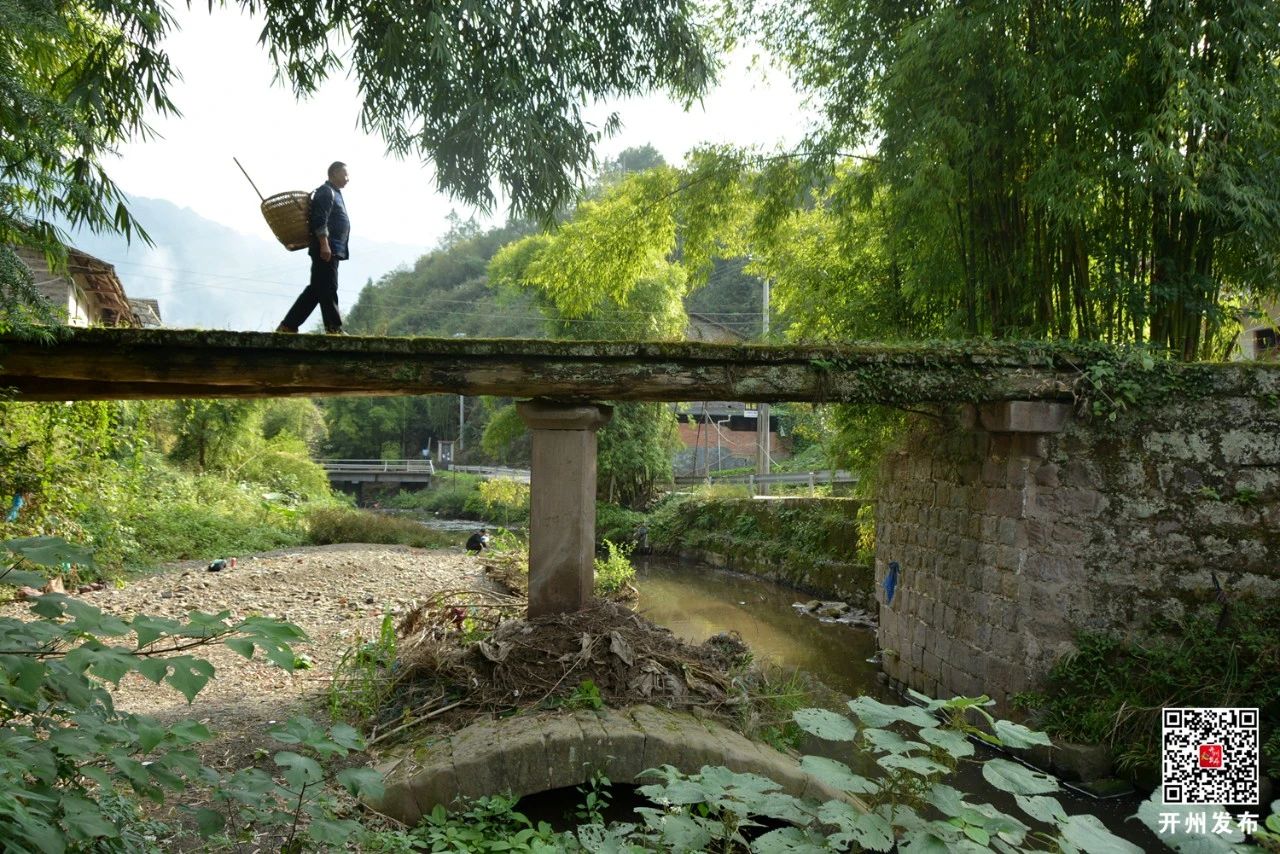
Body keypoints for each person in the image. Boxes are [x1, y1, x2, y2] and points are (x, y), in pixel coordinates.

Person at [276, 161, 351, 334]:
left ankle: (288, 326)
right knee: (329, 287)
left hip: (331, 249)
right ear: (333, 173)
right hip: (326, 249)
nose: (348, 178)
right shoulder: (326, 192)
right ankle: (333, 328)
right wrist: (324, 244)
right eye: (345, 174)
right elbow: (320, 219)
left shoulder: (335, 193)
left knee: (317, 290)